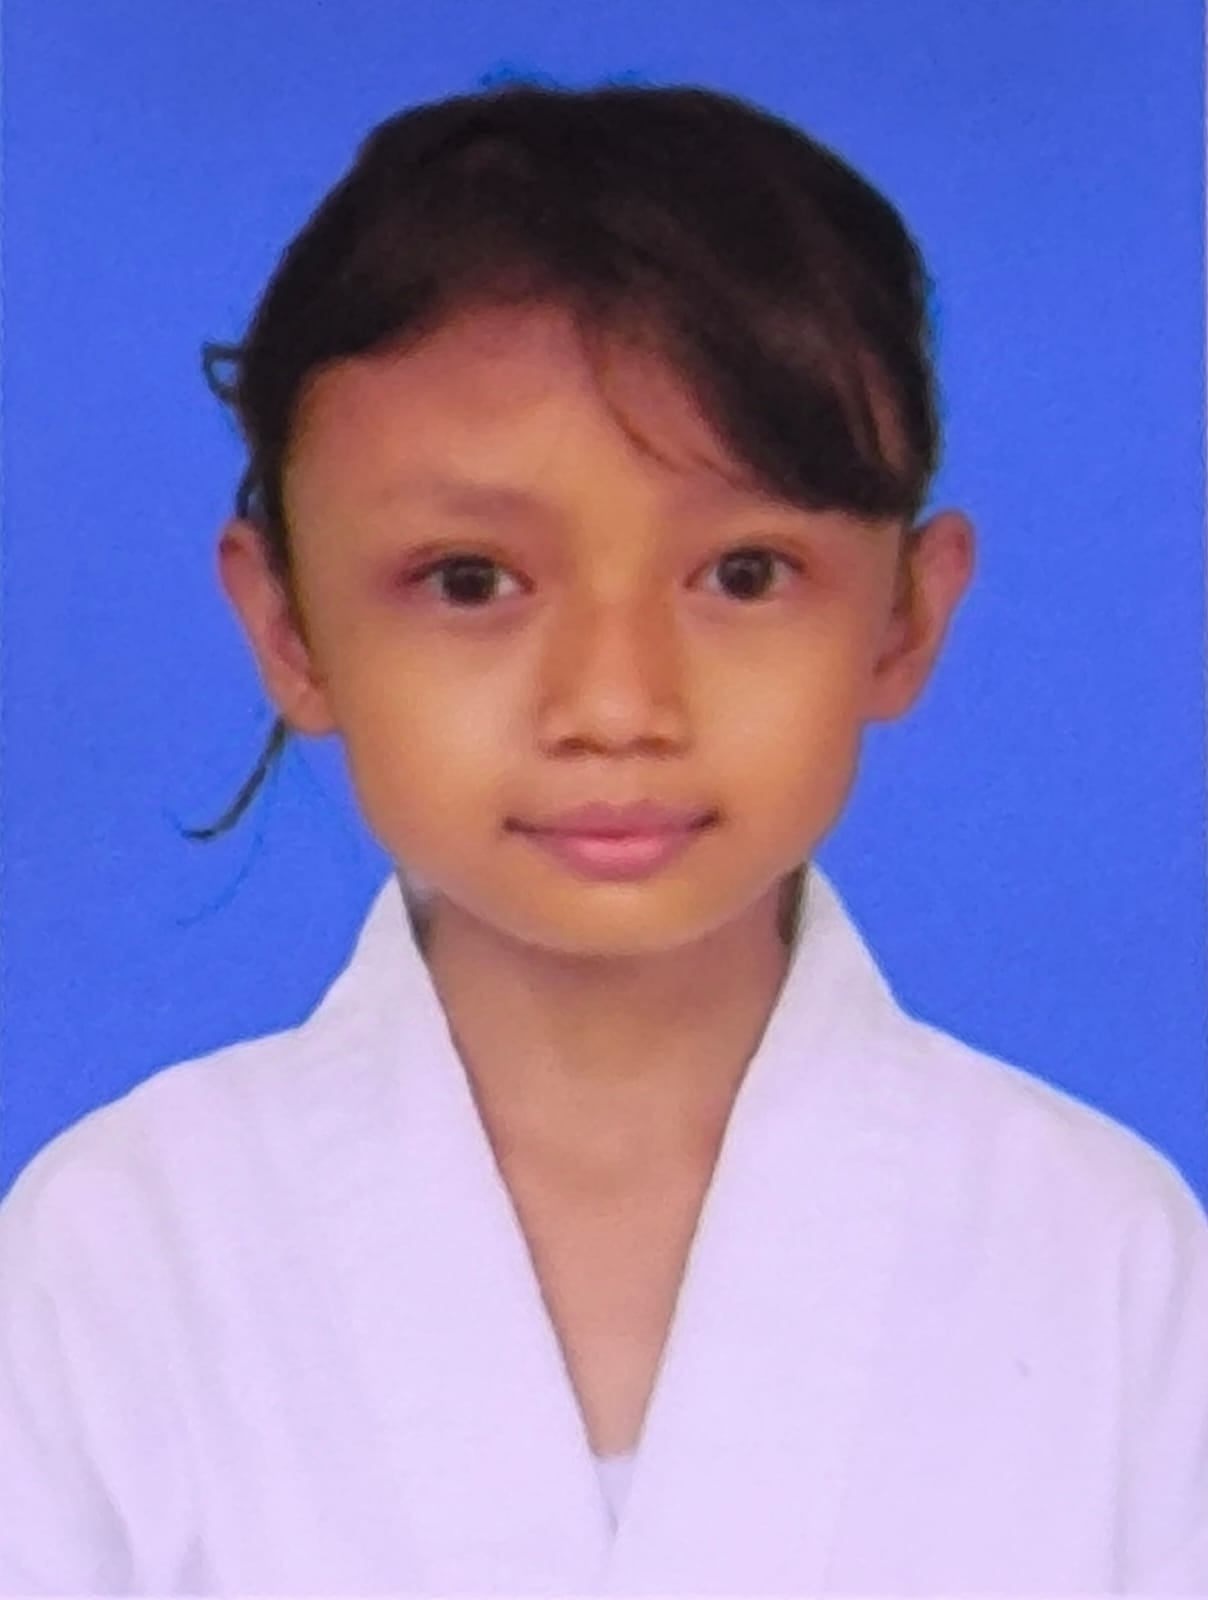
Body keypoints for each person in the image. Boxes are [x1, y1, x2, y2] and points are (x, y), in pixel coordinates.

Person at [1, 76, 1204, 1597]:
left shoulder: (1102, 1256)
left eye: (745, 573)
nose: (618, 705)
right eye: (469, 580)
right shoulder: (116, 1253)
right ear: (288, 624)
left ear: (907, 615)